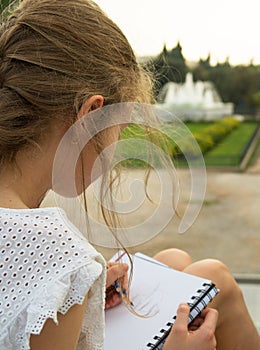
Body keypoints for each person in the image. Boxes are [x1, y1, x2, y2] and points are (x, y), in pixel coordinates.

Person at [0, 0, 259, 349]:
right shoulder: (57, 253)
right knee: (216, 280)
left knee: (174, 262)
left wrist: (84, 292)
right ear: (91, 115)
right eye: (119, 131)